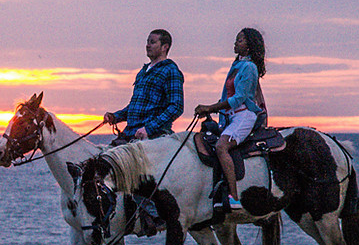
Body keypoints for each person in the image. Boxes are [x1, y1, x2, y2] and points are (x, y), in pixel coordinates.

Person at [194, 27, 268, 211]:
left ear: (249, 46)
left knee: (221, 146)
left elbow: (238, 99)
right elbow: (227, 95)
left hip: (244, 116)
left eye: (240, 40)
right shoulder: (236, 65)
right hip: (230, 116)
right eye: (236, 40)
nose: (235, 43)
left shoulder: (250, 68)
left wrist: (210, 107)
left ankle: (234, 198)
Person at [103, 29, 184, 144]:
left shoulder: (170, 71)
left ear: (164, 47)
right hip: (130, 134)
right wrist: (115, 117)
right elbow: (135, 107)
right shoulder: (143, 72)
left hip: (153, 137)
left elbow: (176, 107)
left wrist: (148, 129)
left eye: (152, 42)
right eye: (147, 42)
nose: (147, 45)